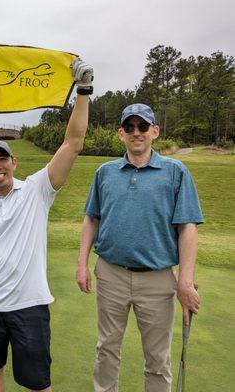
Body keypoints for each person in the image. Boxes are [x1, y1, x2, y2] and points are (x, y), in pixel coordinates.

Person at [0, 58, 94, 392]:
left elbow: (72, 144)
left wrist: (84, 92)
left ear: (13, 162)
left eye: (2, 159)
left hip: (29, 308)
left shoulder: (36, 190)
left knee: (38, 385)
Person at [76, 103, 203, 392]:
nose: (137, 133)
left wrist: (185, 280)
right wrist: (82, 264)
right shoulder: (105, 172)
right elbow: (91, 219)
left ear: (154, 131)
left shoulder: (175, 171)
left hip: (158, 279)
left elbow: (188, 228)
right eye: (130, 127)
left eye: (143, 127)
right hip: (110, 274)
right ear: (120, 134)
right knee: (106, 349)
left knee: (157, 360)